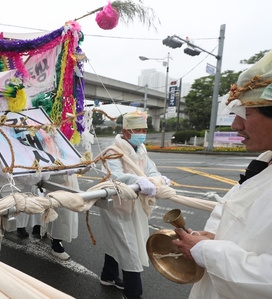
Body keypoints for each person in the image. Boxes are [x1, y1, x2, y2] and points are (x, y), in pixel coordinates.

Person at [172, 50, 272, 299]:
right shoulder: (262, 163)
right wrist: (217, 237)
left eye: (247, 114)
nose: (237, 126)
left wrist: (208, 252)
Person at [98, 111, 170, 299]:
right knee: (129, 246)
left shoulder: (141, 150)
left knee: (117, 242)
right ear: (125, 131)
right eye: (137, 129)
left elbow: (150, 169)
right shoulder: (112, 152)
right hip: (117, 207)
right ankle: (133, 292)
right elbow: (113, 176)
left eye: (144, 129)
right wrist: (137, 180)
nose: (142, 133)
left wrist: (157, 179)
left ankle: (108, 276)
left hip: (135, 206)